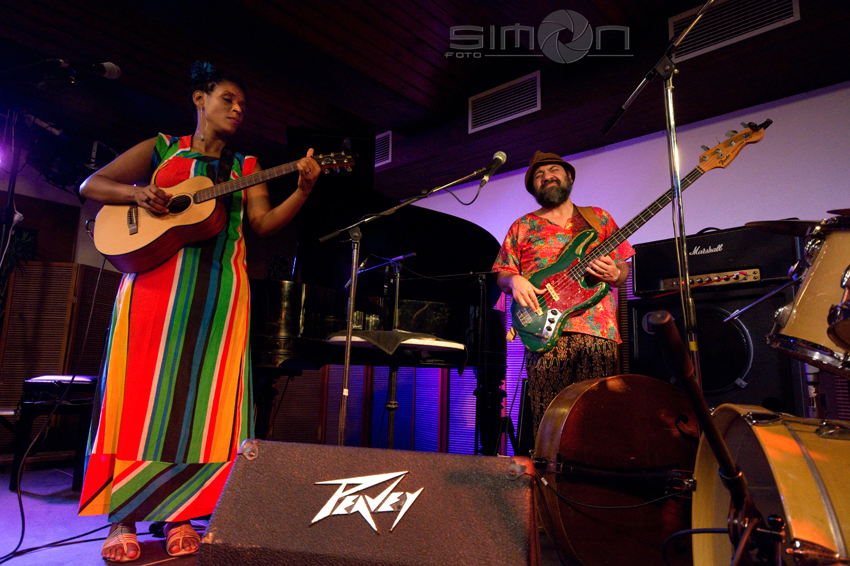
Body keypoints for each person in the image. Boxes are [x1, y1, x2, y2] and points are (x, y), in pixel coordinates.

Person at [77, 62, 320, 562]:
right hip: (152, 288)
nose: (237, 109)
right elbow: (92, 186)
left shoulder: (246, 165)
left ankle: (182, 514)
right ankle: (122, 517)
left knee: (203, 403)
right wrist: (137, 193)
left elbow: (262, 223)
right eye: (228, 98)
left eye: (243, 105)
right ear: (199, 99)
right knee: (137, 396)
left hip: (219, 295)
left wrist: (302, 189)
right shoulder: (162, 148)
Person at [493, 151, 634, 436]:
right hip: (542, 332)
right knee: (549, 422)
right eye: (539, 175)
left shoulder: (598, 218)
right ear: (533, 187)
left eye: (553, 170)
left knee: (597, 419)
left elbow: (623, 269)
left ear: (569, 176)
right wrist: (514, 281)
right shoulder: (522, 226)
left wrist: (616, 274)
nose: (547, 177)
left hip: (597, 332)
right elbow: (502, 274)